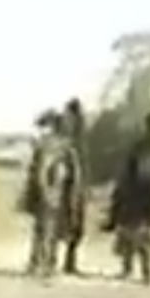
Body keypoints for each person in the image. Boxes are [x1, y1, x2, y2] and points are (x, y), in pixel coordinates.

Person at [103, 111, 150, 284]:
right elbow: (128, 169)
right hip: (137, 192)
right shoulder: (139, 146)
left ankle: (146, 272)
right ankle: (128, 267)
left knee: (144, 234)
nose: (149, 128)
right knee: (128, 231)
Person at [24, 109, 81, 278]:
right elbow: (46, 169)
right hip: (55, 192)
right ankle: (46, 263)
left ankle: (40, 262)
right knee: (49, 230)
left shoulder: (51, 144)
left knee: (45, 229)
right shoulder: (61, 146)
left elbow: (40, 170)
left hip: (53, 192)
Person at [59, 98, 90, 275]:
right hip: (69, 185)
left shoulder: (80, 137)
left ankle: (69, 262)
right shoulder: (67, 138)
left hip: (78, 185)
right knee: (67, 223)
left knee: (77, 226)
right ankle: (59, 260)